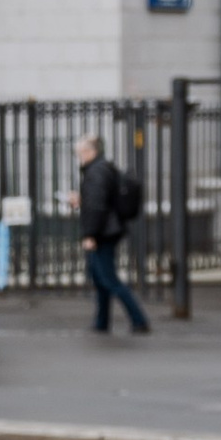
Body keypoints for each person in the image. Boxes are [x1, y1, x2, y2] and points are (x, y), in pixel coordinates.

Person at [78, 133, 151, 336]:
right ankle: (102, 321)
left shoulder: (96, 172)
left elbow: (97, 206)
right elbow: (99, 202)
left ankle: (139, 319)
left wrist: (90, 235)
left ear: (91, 151)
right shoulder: (103, 168)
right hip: (108, 229)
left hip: (103, 232)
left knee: (109, 279)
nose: (79, 156)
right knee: (100, 278)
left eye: (81, 152)